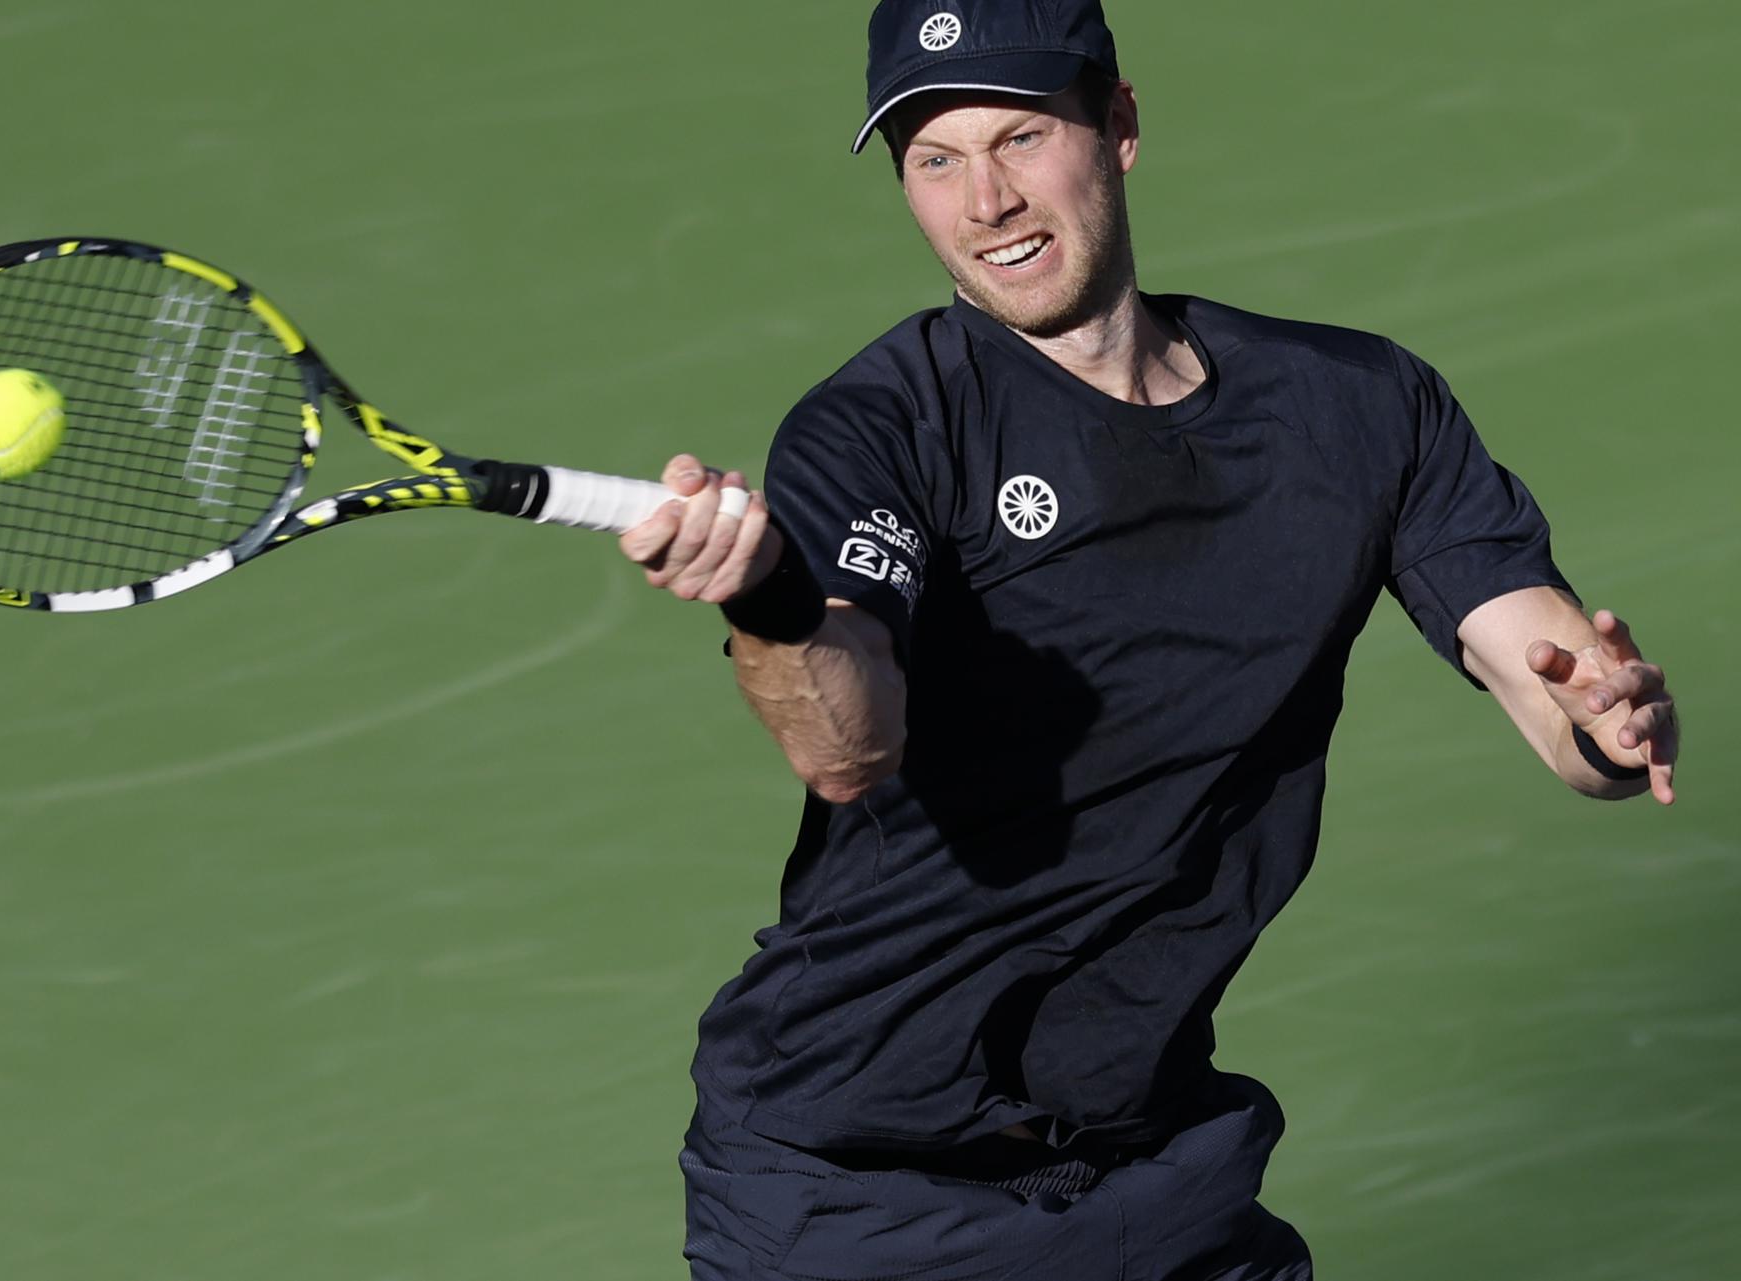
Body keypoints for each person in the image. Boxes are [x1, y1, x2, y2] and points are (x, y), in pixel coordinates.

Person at [619, 2, 1681, 1277]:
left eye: (1020, 138)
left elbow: (1553, 686)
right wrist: (773, 603)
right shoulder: (885, 427)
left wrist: (1608, 719)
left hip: (1157, 1166)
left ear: (1118, 124)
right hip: (860, 1197)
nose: (988, 201)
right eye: (935, 160)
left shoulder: (1356, 407)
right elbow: (847, 743)